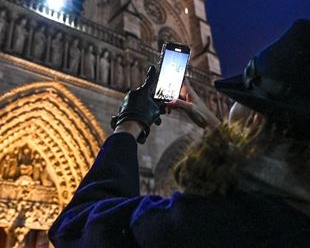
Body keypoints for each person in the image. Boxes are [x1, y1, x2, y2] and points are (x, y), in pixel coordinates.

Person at [49, 19, 310, 247]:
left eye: (237, 100)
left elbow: (76, 227)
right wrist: (211, 121)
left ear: (255, 120)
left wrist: (128, 125)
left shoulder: (212, 225)